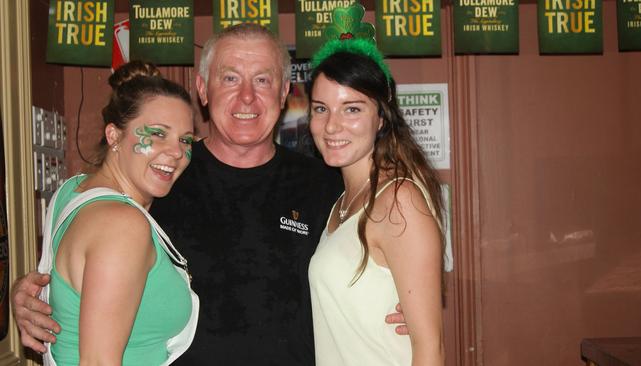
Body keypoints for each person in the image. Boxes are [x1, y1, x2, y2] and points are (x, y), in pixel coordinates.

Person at [12, 23, 408, 365]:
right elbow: (87, 244)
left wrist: (400, 302)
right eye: (230, 78)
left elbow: (384, 258)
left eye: (263, 80)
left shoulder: (328, 184)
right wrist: (34, 292)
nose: (247, 97)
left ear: (285, 91)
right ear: (203, 88)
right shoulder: (161, 176)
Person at [35, 60, 199, 365]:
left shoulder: (73, 189)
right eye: (158, 134)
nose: (177, 152)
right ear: (114, 136)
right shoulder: (122, 225)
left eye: (185, 139)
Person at [307, 38, 445, 365]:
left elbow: (431, 349)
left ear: (381, 118)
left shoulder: (399, 201)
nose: (331, 125)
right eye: (320, 109)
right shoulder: (341, 203)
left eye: (352, 108)